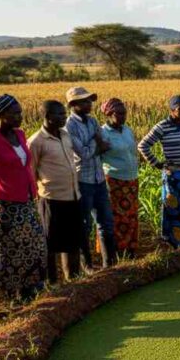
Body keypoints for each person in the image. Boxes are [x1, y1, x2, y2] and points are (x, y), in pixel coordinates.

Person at [0, 94, 46, 304]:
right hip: (6, 202)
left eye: (20, 112)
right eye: (15, 113)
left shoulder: (20, 134)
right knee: (11, 248)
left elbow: (24, 163)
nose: (20, 116)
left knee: (33, 242)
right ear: (0, 115)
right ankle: (13, 293)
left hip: (27, 197)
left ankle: (31, 288)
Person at [29, 100, 84, 284]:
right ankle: (52, 283)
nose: (64, 117)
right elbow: (31, 172)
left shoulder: (65, 135)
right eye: (59, 114)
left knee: (72, 242)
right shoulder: (36, 141)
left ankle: (74, 281)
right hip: (51, 199)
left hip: (73, 196)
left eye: (64, 113)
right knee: (51, 244)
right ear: (47, 116)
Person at [138, 95, 180, 248]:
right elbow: (143, 145)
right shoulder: (162, 126)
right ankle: (175, 243)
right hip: (174, 177)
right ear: (172, 110)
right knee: (174, 209)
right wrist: (157, 164)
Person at [65, 86, 116, 268]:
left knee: (106, 223)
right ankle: (87, 266)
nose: (89, 104)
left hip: (99, 178)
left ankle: (110, 264)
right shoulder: (69, 126)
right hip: (83, 180)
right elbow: (84, 154)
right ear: (73, 104)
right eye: (85, 101)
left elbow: (106, 145)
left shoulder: (93, 121)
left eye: (89, 100)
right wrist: (96, 143)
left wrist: (94, 145)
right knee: (85, 225)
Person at [99, 98, 140, 258]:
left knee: (131, 215)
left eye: (124, 113)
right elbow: (98, 157)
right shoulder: (102, 133)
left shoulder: (127, 130)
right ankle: (115, 252)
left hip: (132, 180)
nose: (123, 116)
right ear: (109, 114)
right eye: (119, 113)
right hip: (114, 181)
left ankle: (130, 250)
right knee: (116, 217)